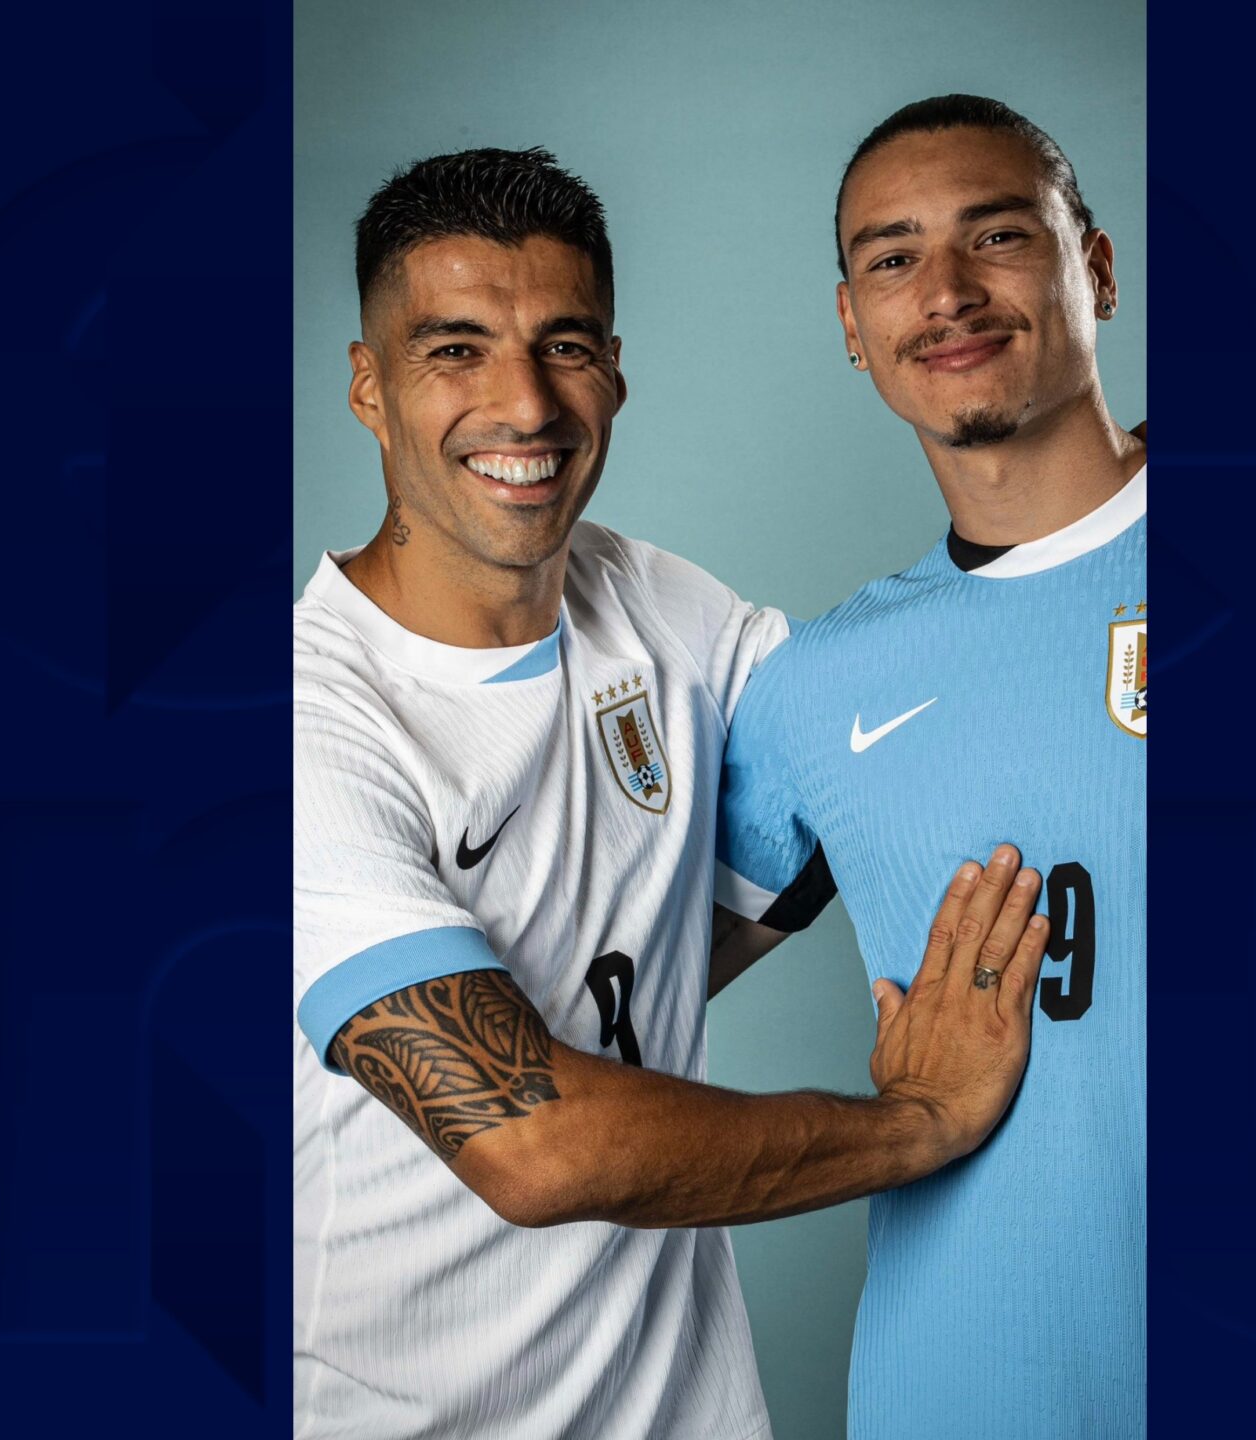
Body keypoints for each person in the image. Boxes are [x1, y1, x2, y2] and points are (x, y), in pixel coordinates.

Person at [295, 146, 1054, 1440]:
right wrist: (918, 1125)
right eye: (456, 350)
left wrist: (1117, 520)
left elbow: (876, 728)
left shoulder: (657, 607)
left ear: (615, 367)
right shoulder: (314, 725)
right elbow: (533, 1147)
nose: (525, 403)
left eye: (565, 345)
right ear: (369, 385)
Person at [711, 96, 1146, 1439]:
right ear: (854, 325)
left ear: (1095, 269)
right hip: (970, 1393)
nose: (946, 291)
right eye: (893, 258)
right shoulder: (817, 686)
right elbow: (601, 983)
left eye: (997, 235)